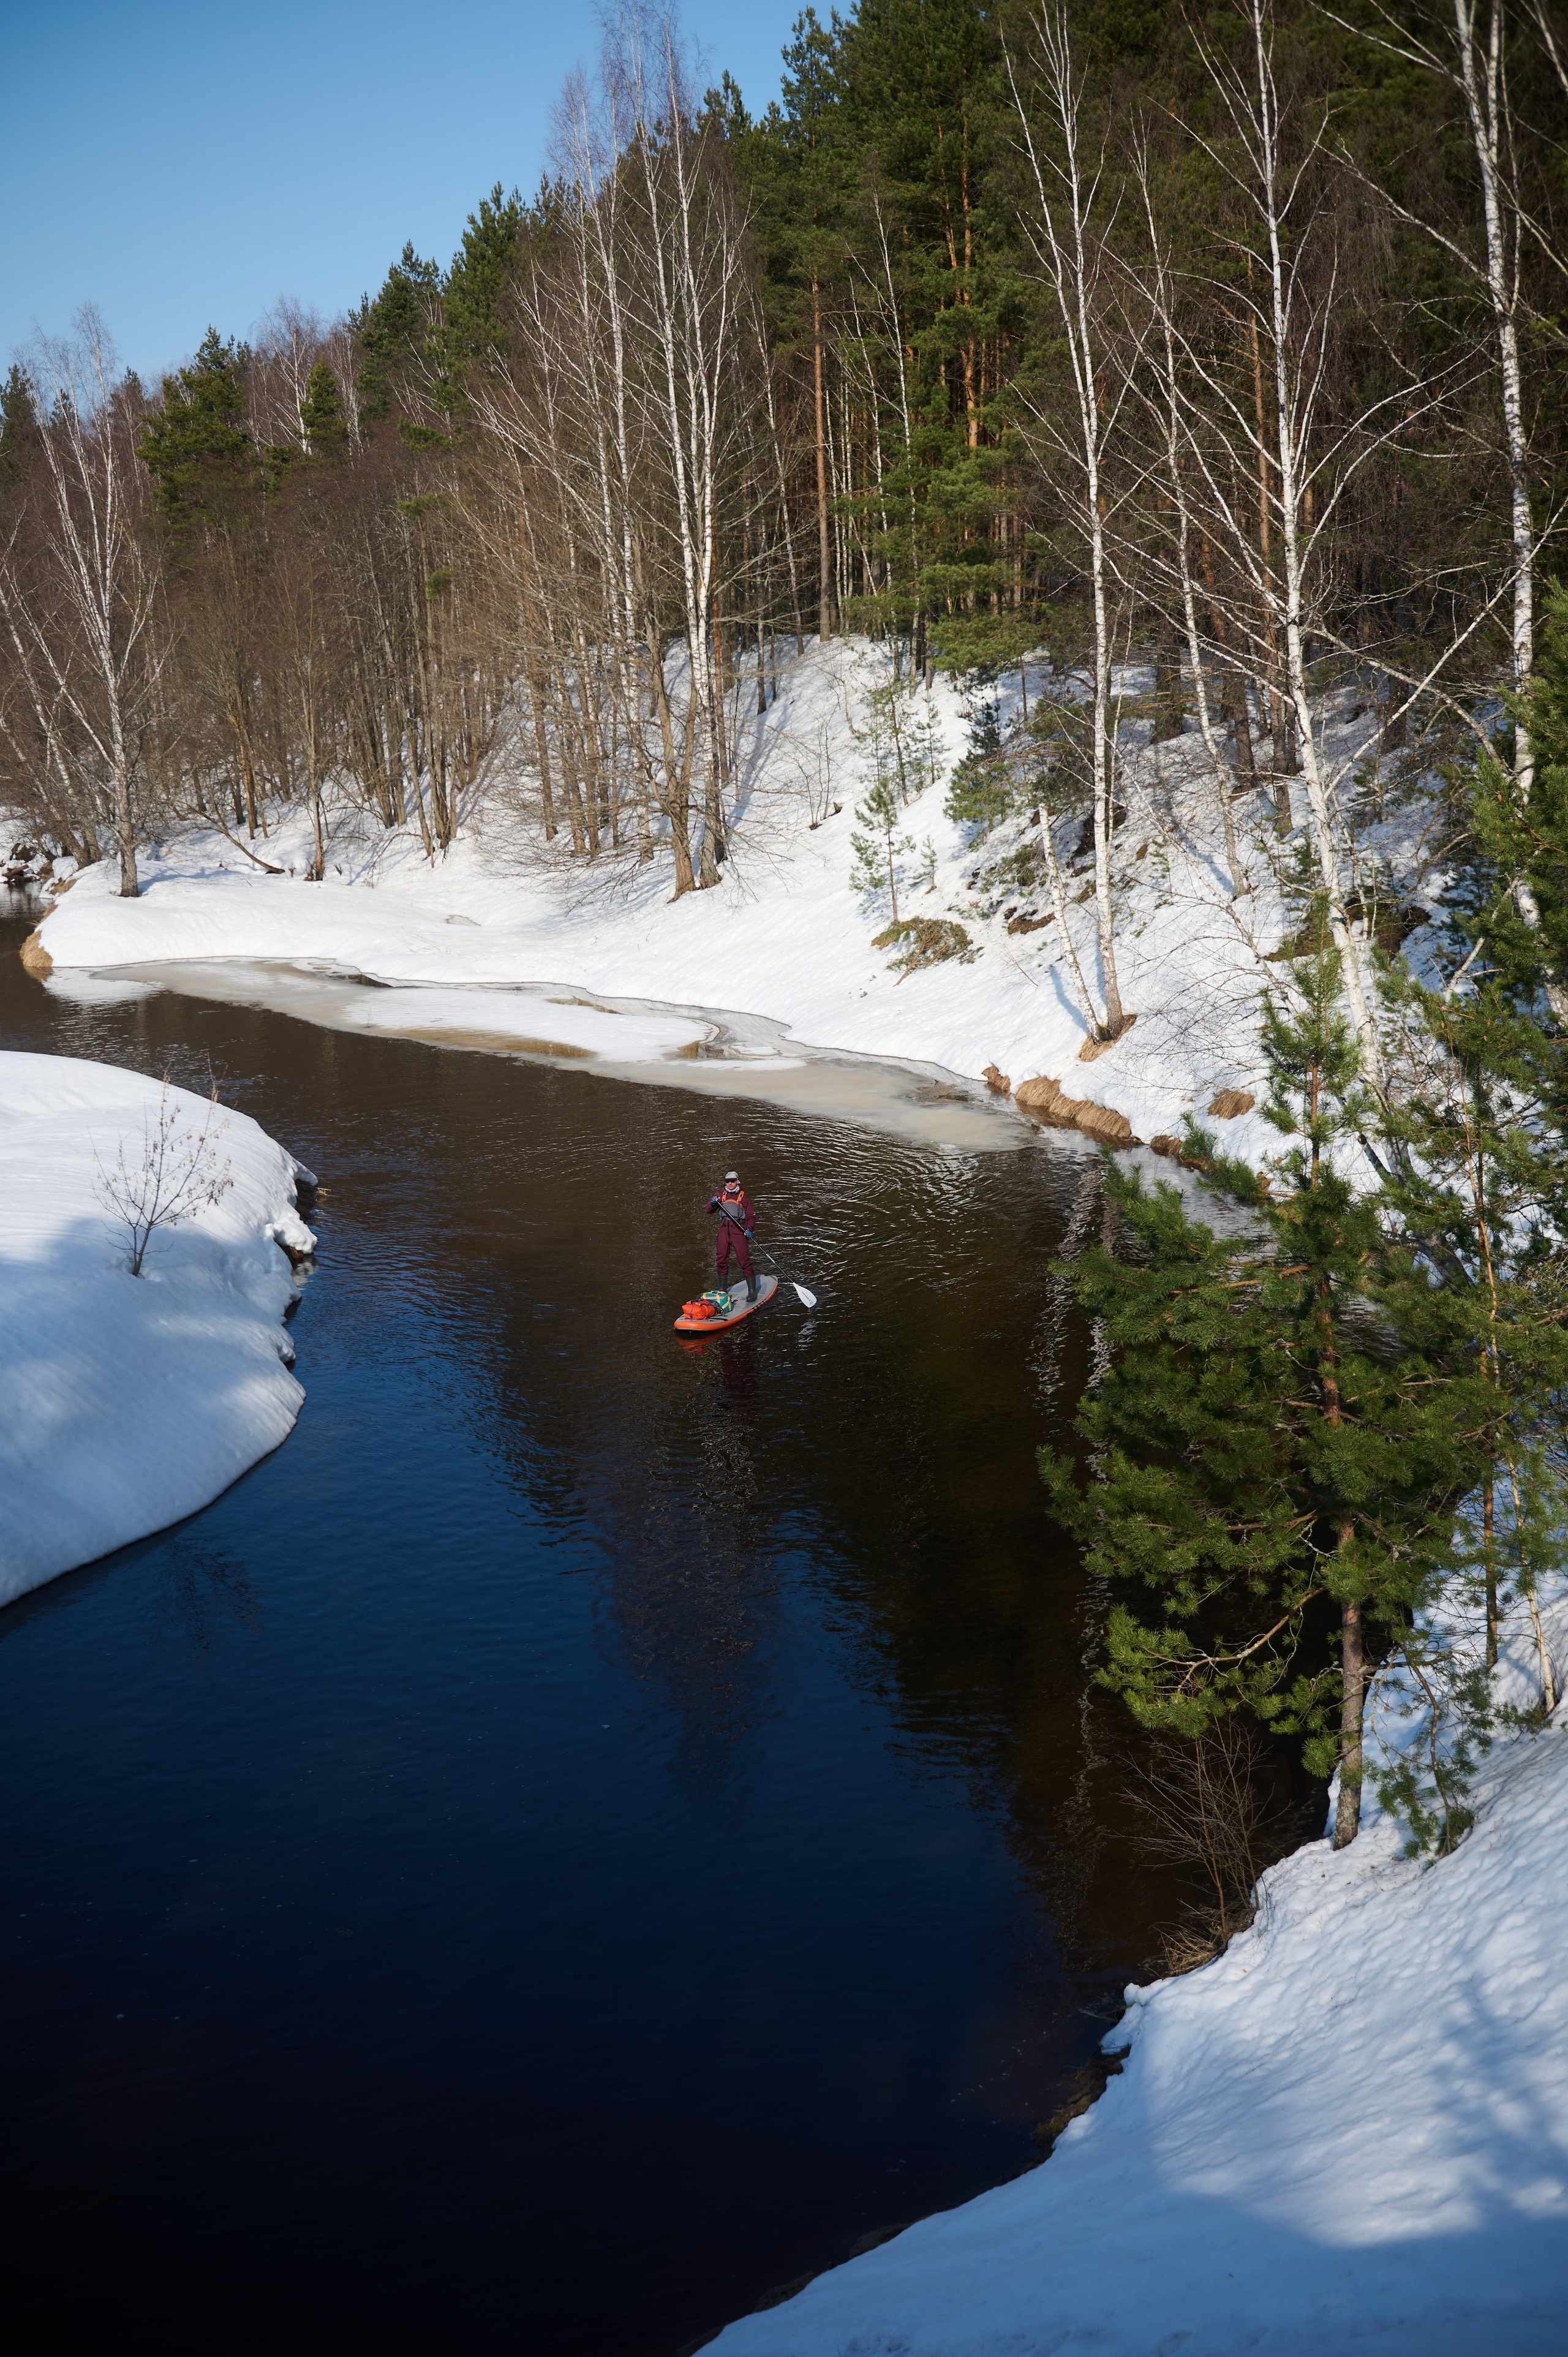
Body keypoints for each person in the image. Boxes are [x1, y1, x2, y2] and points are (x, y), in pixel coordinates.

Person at [707, 1170, 757, 1302]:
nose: (730, 1183)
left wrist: (749, 1229)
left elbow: (751, 1217)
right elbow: (708, 1211)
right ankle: (723, 1290)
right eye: (727, 1181)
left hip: (739, 1231)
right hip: (724, 1230)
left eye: (733, 1181)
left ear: (737, 1181)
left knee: (744, 1260)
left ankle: (752, 1291)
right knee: (721, 1260)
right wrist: (712, 1203)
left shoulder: (744, 1197)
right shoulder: (719, 1196)